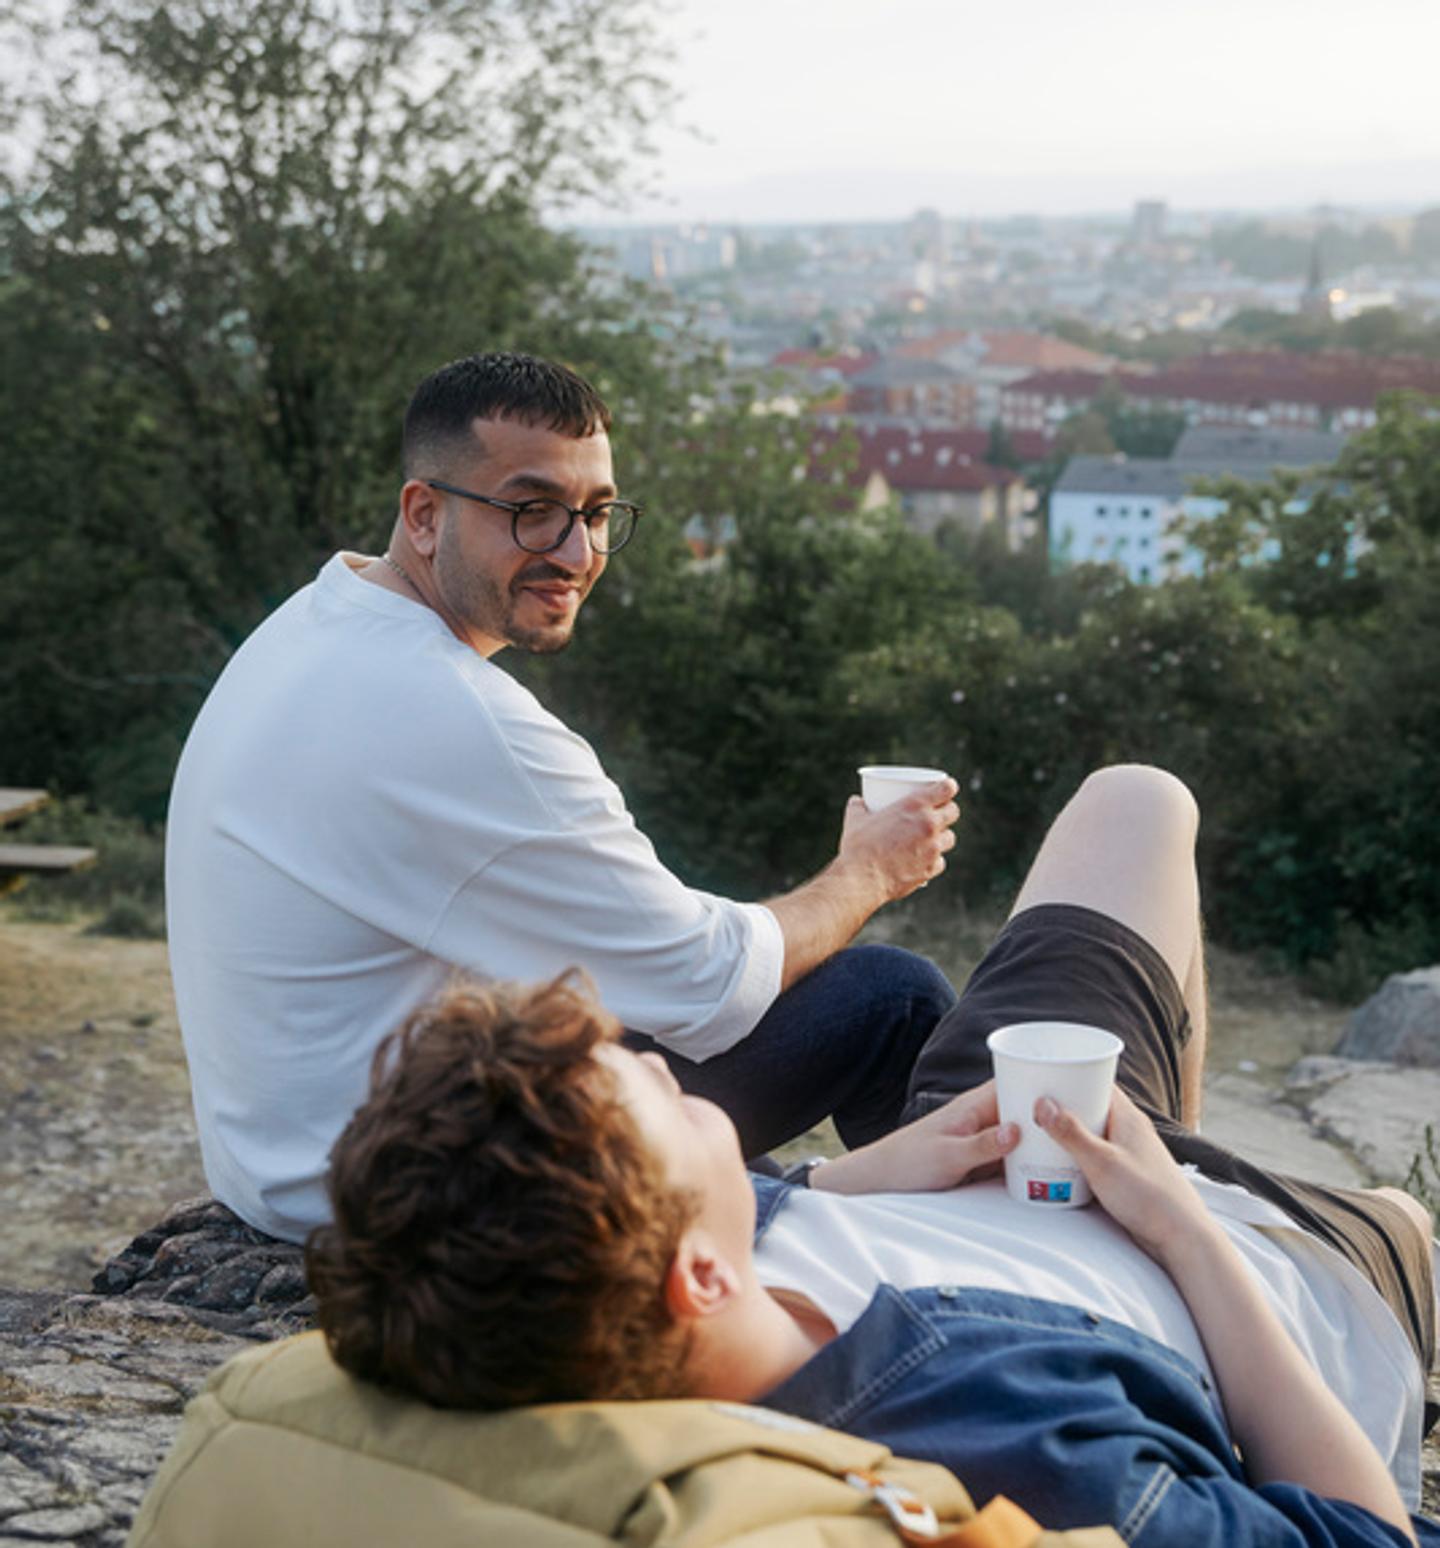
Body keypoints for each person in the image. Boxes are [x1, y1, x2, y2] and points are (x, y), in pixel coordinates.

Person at [307, 765, 1439, 1547]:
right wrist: (1180, 1228)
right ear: (697, 1275)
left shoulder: (672, 1275)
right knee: (1409, 1222)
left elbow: (727, 1208)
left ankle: (1176, 1145)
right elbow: (1361, 1534)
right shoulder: (1018, 1448)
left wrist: (859, 1174)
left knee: (1137, 804)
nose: (662, 1070)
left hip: (989, 1146)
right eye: (658, 1099)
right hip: (1276, 1278)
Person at [165, 350, 958, 1242]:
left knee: (683, 1101)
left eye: (595, 514)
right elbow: (708, 985)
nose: (576, 553)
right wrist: (868, 872)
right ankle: (949, 1271)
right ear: (424, 515)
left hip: (298, 1154)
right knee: (890, 998)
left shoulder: (315, 620)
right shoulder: (456, 715)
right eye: (532, 512)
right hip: (404, 1196)